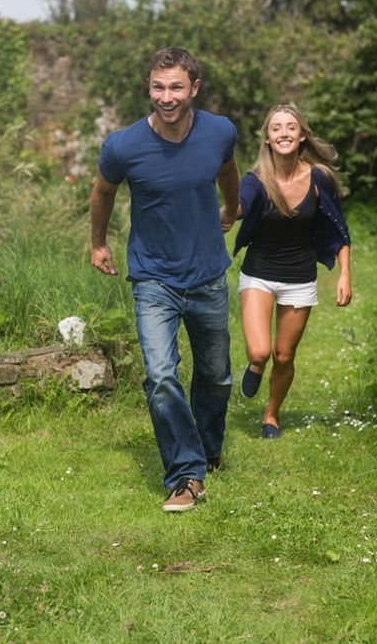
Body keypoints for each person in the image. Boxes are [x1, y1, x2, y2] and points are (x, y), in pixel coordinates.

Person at [90, 47, 240, 511]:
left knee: (215, 377)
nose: (167, 96)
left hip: (208, 274)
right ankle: (186, 474)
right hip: (153, 276)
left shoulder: (219, 131)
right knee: (159, 375)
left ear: (193, 87)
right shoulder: (123, 145)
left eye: (176, 86)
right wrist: (98, 242)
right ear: (148, 88)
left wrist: (232, 208)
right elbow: (103, 191)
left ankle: (207, 449)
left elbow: (227, 170)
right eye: (158, 87)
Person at [230, 103, 351, 438]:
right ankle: (255, 365)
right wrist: (227, 212)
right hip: (259, 273)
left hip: (300, 278)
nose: (283, 133)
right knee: (261, 351)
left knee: (284, 356)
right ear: (267, 139)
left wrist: (344, 275)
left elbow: (338, 229)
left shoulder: (318, 178)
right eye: (276, 128)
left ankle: (271, 415)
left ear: (301, 136)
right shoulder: (257, 180)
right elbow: (241, 204)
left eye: (290, 127)